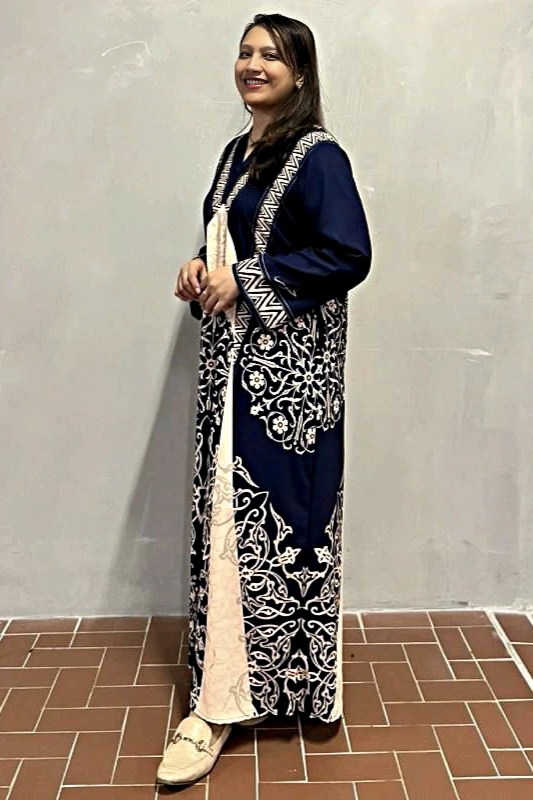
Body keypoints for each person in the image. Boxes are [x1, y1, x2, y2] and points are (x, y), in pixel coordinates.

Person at [156, 12, 372, 786]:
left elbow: (347, 252)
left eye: (270, 56)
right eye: (244, 52)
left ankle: (261, 694)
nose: (252, 65)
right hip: (231, 370)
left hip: (288, 386)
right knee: (226, 518)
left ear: (300, 73)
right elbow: (232, 240)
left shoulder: (318, 157)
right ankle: (226, 689)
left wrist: (245, 281)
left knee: (279, 525)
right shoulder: (235, 157)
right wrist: (199, 265)